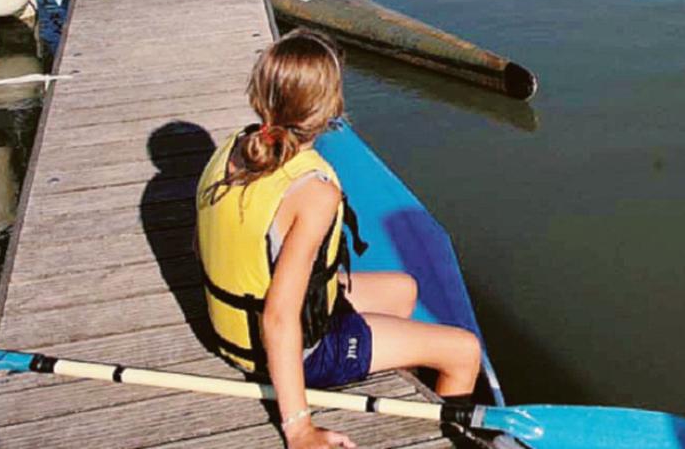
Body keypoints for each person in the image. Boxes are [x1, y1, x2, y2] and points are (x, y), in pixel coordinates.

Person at [196, 32, 483, 449]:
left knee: (405, 291)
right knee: (464, 351)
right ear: (331, 107)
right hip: (291, 351)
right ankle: (450, 438)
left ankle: (406, 378)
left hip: (235, 325)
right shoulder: (314, 192)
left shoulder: (234, 148)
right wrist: (299, 428)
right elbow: (278, 319)